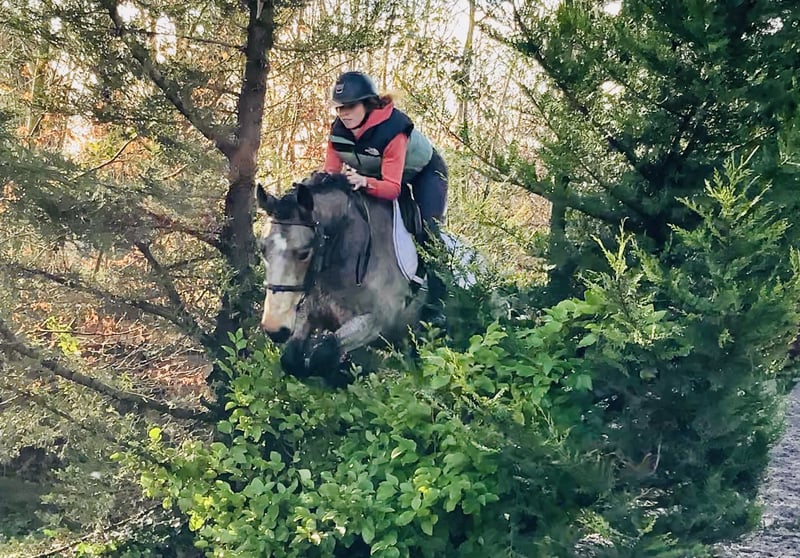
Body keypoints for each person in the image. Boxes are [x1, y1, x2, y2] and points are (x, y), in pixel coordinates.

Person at [322, 70, 448, 327]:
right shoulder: (338, 133)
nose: (343, 113)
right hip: (379, 175)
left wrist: (364, 182)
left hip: (424, 173)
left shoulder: (393, 130)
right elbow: (330, 177)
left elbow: (392, 189)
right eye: (339, 108)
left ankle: (437, 302)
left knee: (429, 229)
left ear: (367, 104)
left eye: (350, 106)